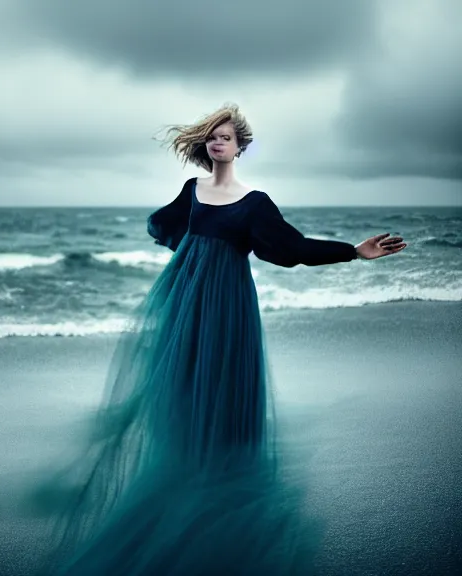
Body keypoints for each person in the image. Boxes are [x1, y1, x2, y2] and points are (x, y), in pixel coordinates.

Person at [26, 103, 407, 575]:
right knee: (179, 389)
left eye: (226, 137)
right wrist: (190, 257)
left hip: (228, 308)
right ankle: (183, 476)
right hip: (184, 301)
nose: (217, 142)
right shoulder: (192, 190)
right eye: (212, 137)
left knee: (222, 393)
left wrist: (353, 252)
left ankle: (218, 491)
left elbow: (291, 249)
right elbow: (165, 225)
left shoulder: (255, 202)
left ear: (241, 146)